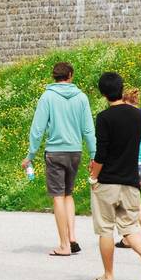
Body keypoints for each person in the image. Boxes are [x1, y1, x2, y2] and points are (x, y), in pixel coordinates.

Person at [88, 72, 141, 280]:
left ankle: (108, 275)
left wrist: (94, 176)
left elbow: (101, 153)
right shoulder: (137, 116)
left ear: (103, 93)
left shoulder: (104, 118)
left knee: (105, 229)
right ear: (122, 89)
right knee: (129, 227)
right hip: (131, 180)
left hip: (108, 181)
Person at [22, 62, 96, 256]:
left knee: (58, 196)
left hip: (55, 152)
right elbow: (88, 129)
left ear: (53, 76)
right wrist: (94, 155)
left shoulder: (47, 97)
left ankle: (63, 245)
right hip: (75, 152)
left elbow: (37, 129)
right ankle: (72, 238)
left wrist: (30, 155)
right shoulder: (81, 97)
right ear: (70, 75)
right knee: (68, 195)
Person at [114, 88, 141, 250]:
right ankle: (128, 238)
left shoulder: (125, 118)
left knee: (133, 202)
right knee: (132, 200)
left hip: (130, 163)